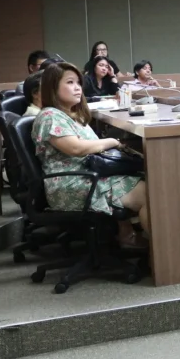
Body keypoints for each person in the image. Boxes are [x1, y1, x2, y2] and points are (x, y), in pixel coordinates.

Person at [32, 62, 149, 248]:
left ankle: (128, 235)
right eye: (70, 82)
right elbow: (76, 149)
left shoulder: (70, 115)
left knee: (144, 179)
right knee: (149, 194)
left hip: (87, 175)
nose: (77, 87)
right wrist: (112, 142)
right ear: (52, 87)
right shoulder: (50, 116)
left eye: (78, 82)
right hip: (72, 183)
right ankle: (164, 254)